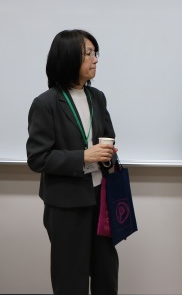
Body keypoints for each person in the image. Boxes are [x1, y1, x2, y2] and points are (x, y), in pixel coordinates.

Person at [26, 30, 119, 295]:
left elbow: (107, 135)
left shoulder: (97, 97)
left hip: (100, 197)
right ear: (68, 59)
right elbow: (37, 158)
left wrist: (108, 153)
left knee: (106, 273)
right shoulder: (46, 104)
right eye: (88, 54)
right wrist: (83, 157)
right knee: (70, 278)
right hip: (66, 204)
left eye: (95, 53)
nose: (95, 60)